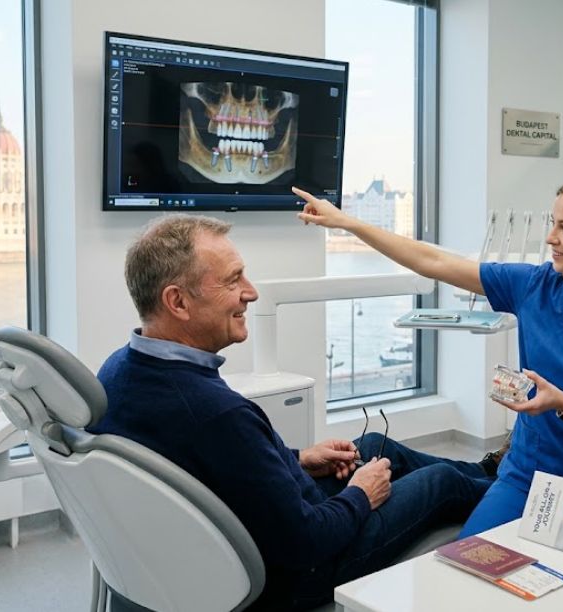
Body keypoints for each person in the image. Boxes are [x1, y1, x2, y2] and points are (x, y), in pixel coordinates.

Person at [90, 214, 494, 610]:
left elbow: (217, 465)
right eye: (233, 280)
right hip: (295, 573)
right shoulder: (217, 414)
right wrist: (361, 493)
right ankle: (514, 489)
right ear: (178, 301)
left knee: (374, 444)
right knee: (440, 482)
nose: (251, 292)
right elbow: (307, 542)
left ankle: (488, 470)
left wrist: (299, 459)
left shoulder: (116, 373)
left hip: (241, 532)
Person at [294, 174, 563, 538]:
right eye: (553, 224)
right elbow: (433, 261)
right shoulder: (535, 286)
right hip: (526, 476)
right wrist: (347, 223)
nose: (551, 238)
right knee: (470, 567)